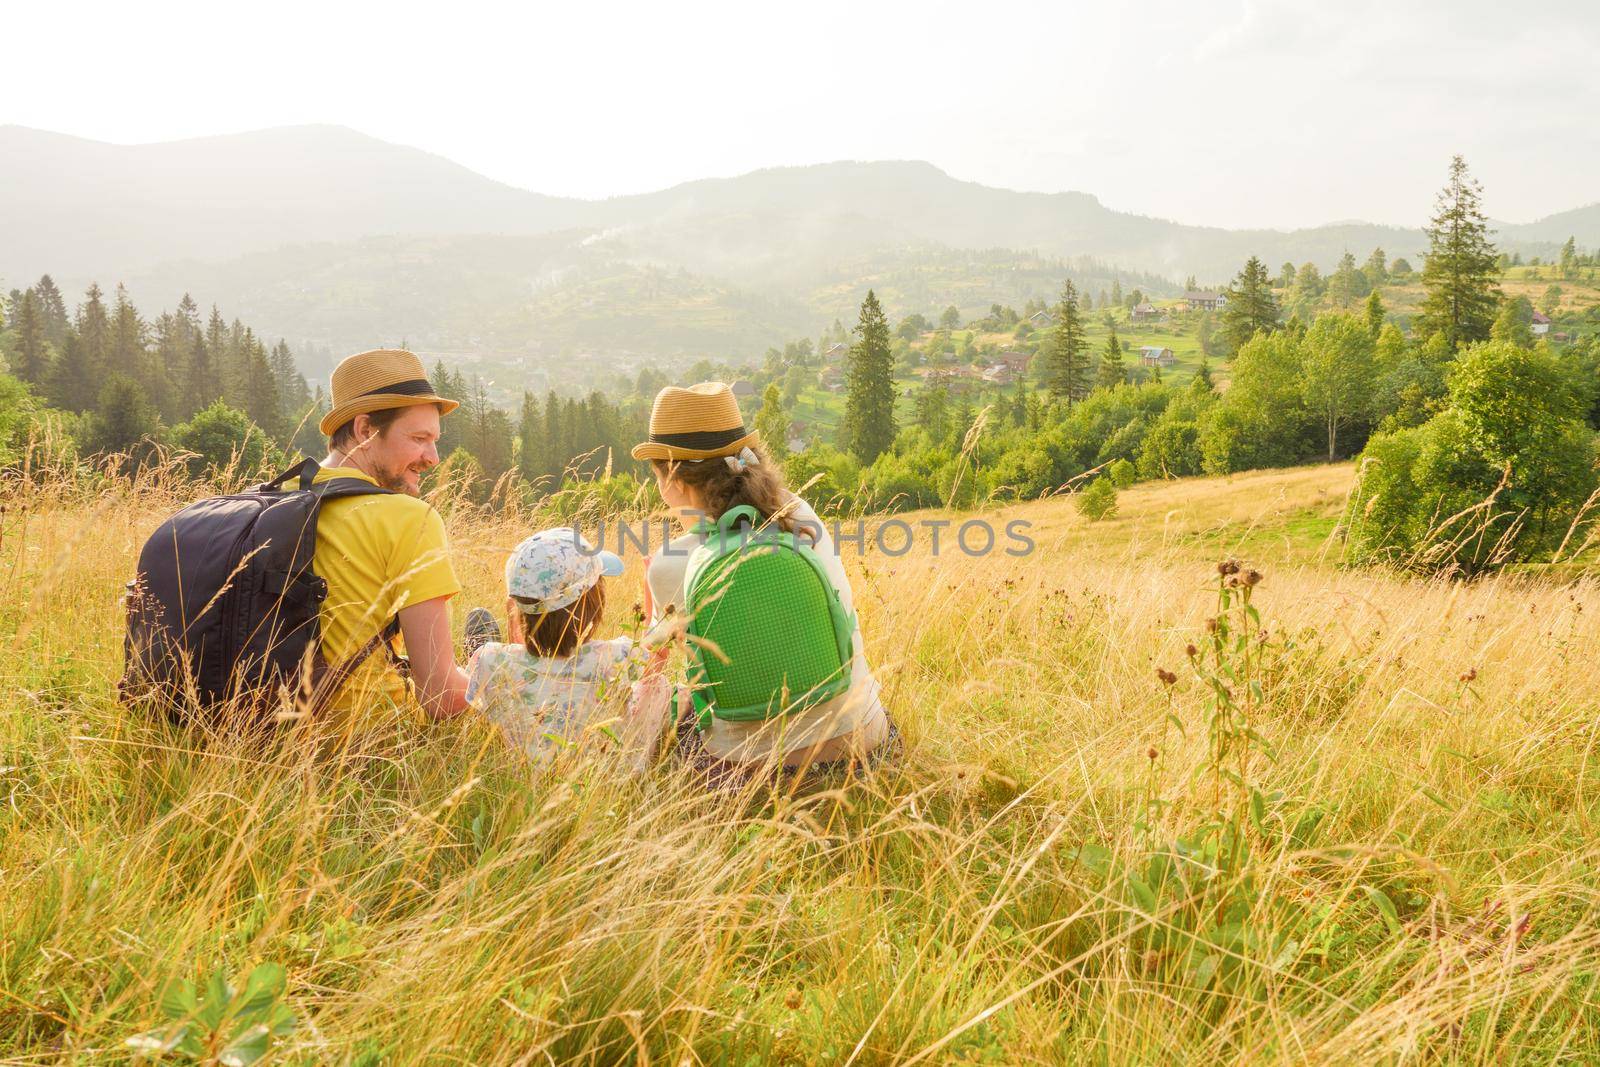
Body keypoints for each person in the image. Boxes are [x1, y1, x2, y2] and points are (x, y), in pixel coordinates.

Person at [631, 382, 895, 782]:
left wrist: (653, 612)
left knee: (676, 714)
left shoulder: (669, 565)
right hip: (864, 746)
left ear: (672, 479)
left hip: (756, 773)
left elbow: (654, 669)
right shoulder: (798, 513)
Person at [312, 348, 470, 730]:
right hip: (376, 748)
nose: (432, 457)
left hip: (260, 737)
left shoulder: (272, 498)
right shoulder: (409, 519)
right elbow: (442, 697)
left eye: (434, 441)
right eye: (419, 438)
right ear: (365, 430)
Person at [465, 528, 665, 767]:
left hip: (529, 775)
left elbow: (533, 666)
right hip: (608, 776)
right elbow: (659, 653)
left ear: (517, 606)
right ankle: (637, 760)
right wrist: (651, 590)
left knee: (500, 686)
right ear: (595, 603)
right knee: (658, 685)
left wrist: (514, 622)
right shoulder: (614, 656)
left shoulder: (489, 659)